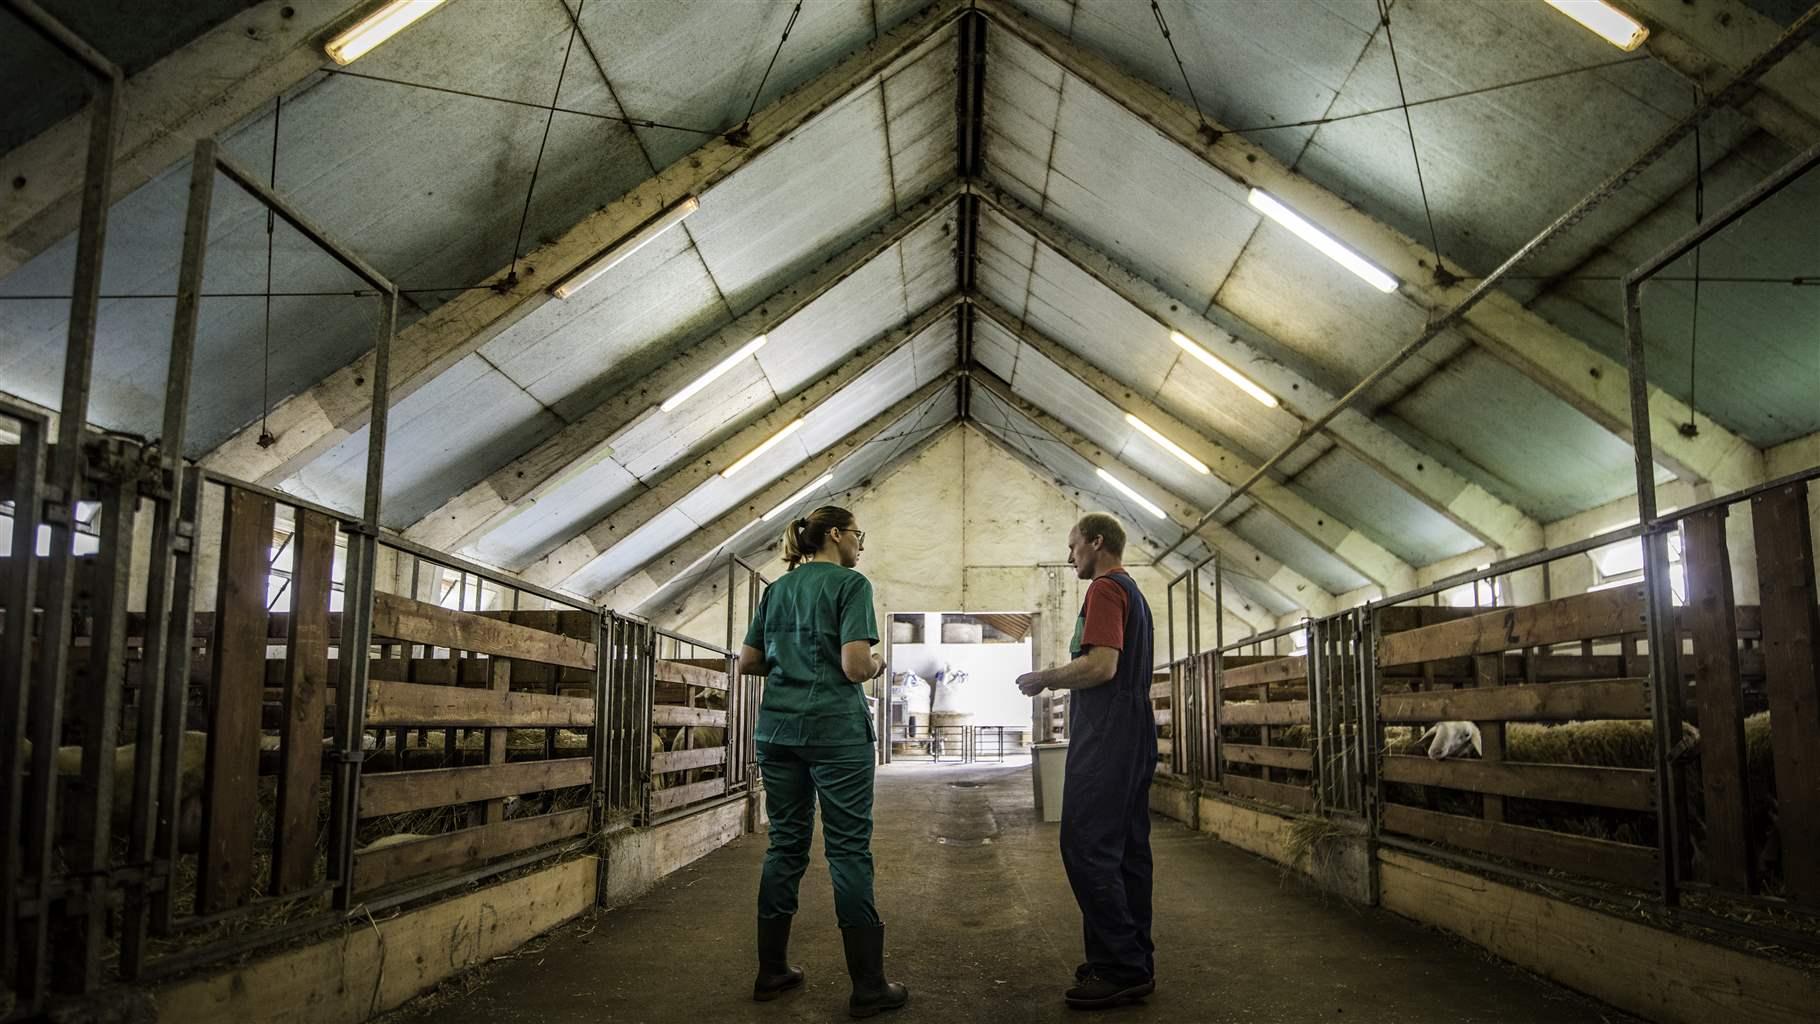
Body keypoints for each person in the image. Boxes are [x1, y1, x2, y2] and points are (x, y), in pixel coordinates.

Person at [737, 505, 909, 1019]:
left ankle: (771, 971)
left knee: (785, 846)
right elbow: (856, 666)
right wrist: (877, 662)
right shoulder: (851, 586)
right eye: (859, 534)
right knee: (848, 852)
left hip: (779, 731)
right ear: (835, 535)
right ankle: (869, 987)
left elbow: (748, 661)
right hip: (835, 732)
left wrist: (789, 660)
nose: (861, 544)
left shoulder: (778, 589)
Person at [1015, 512, 1157, 1010]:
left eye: (1074, 545)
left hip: (1109, 735)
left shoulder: (1104, 589)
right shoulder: (1133, 592)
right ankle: (1133, 959)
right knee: (1127, 849)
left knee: (1086, 845)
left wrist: (1045, 677)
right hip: (1135, 730)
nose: (1069, 554)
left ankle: (1119, 966)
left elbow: (1101, 665)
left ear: (1097, 543)